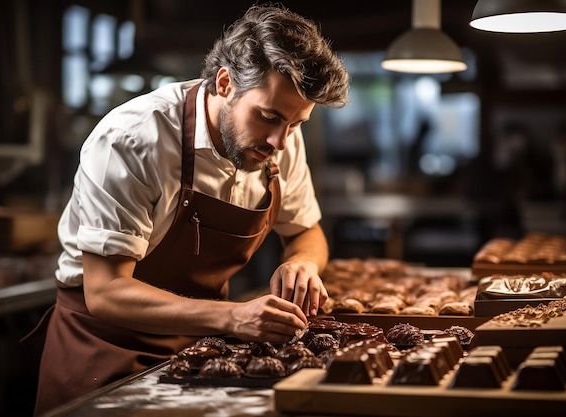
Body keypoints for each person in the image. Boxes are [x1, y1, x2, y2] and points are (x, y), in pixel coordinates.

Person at [30, 4, 350, 415]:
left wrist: (303, 263)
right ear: (224, 83)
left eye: (295, 123)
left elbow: (306, 231)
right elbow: (106, 290)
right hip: (104, 351)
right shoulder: (132, 140)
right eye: (268, 116)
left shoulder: (280, 138)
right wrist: (233, 319)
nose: (279, 142)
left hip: (202, 352)